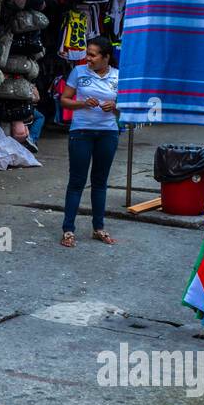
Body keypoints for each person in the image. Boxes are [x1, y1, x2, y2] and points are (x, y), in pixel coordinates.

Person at [59, 35, 120, 247]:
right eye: (87, 54)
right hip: (81, 132)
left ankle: (99, 228)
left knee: (100, 182)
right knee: (76, 182)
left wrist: (113, 107)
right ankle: (68, 230)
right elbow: (64, 100)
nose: (88, 58)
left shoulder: (118, 77)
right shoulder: (78, 72)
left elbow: (126, 109)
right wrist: (82, 103)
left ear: (106, 57)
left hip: (108, 133)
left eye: (93, 55)